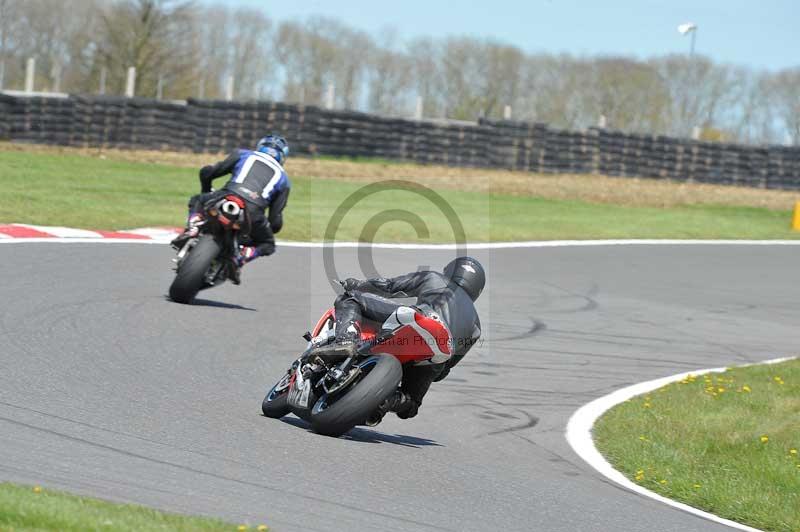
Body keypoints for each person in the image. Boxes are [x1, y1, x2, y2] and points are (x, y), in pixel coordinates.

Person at [316, 257, 485, 425]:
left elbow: (388, 286)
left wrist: (356, 284)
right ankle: (387, 400)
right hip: (439, 352)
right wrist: (425, 371)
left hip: (421, 321)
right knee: (411, 405)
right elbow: (443, 372)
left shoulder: (435, 278)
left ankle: (346, 341)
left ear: (451, 271)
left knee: (350, 298)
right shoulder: (476, 326)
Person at [172, 135, 291, 282]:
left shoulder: (243, 154)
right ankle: (242, 256)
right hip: (253, 213)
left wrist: (206, 191)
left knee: (197, 200)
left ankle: (193, 227)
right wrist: (266, 228)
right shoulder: (284, 180)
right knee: (268, 244)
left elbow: (207, 172)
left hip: (227, 196)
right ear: (283, 156)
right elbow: (275, 221)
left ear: (260, 146)